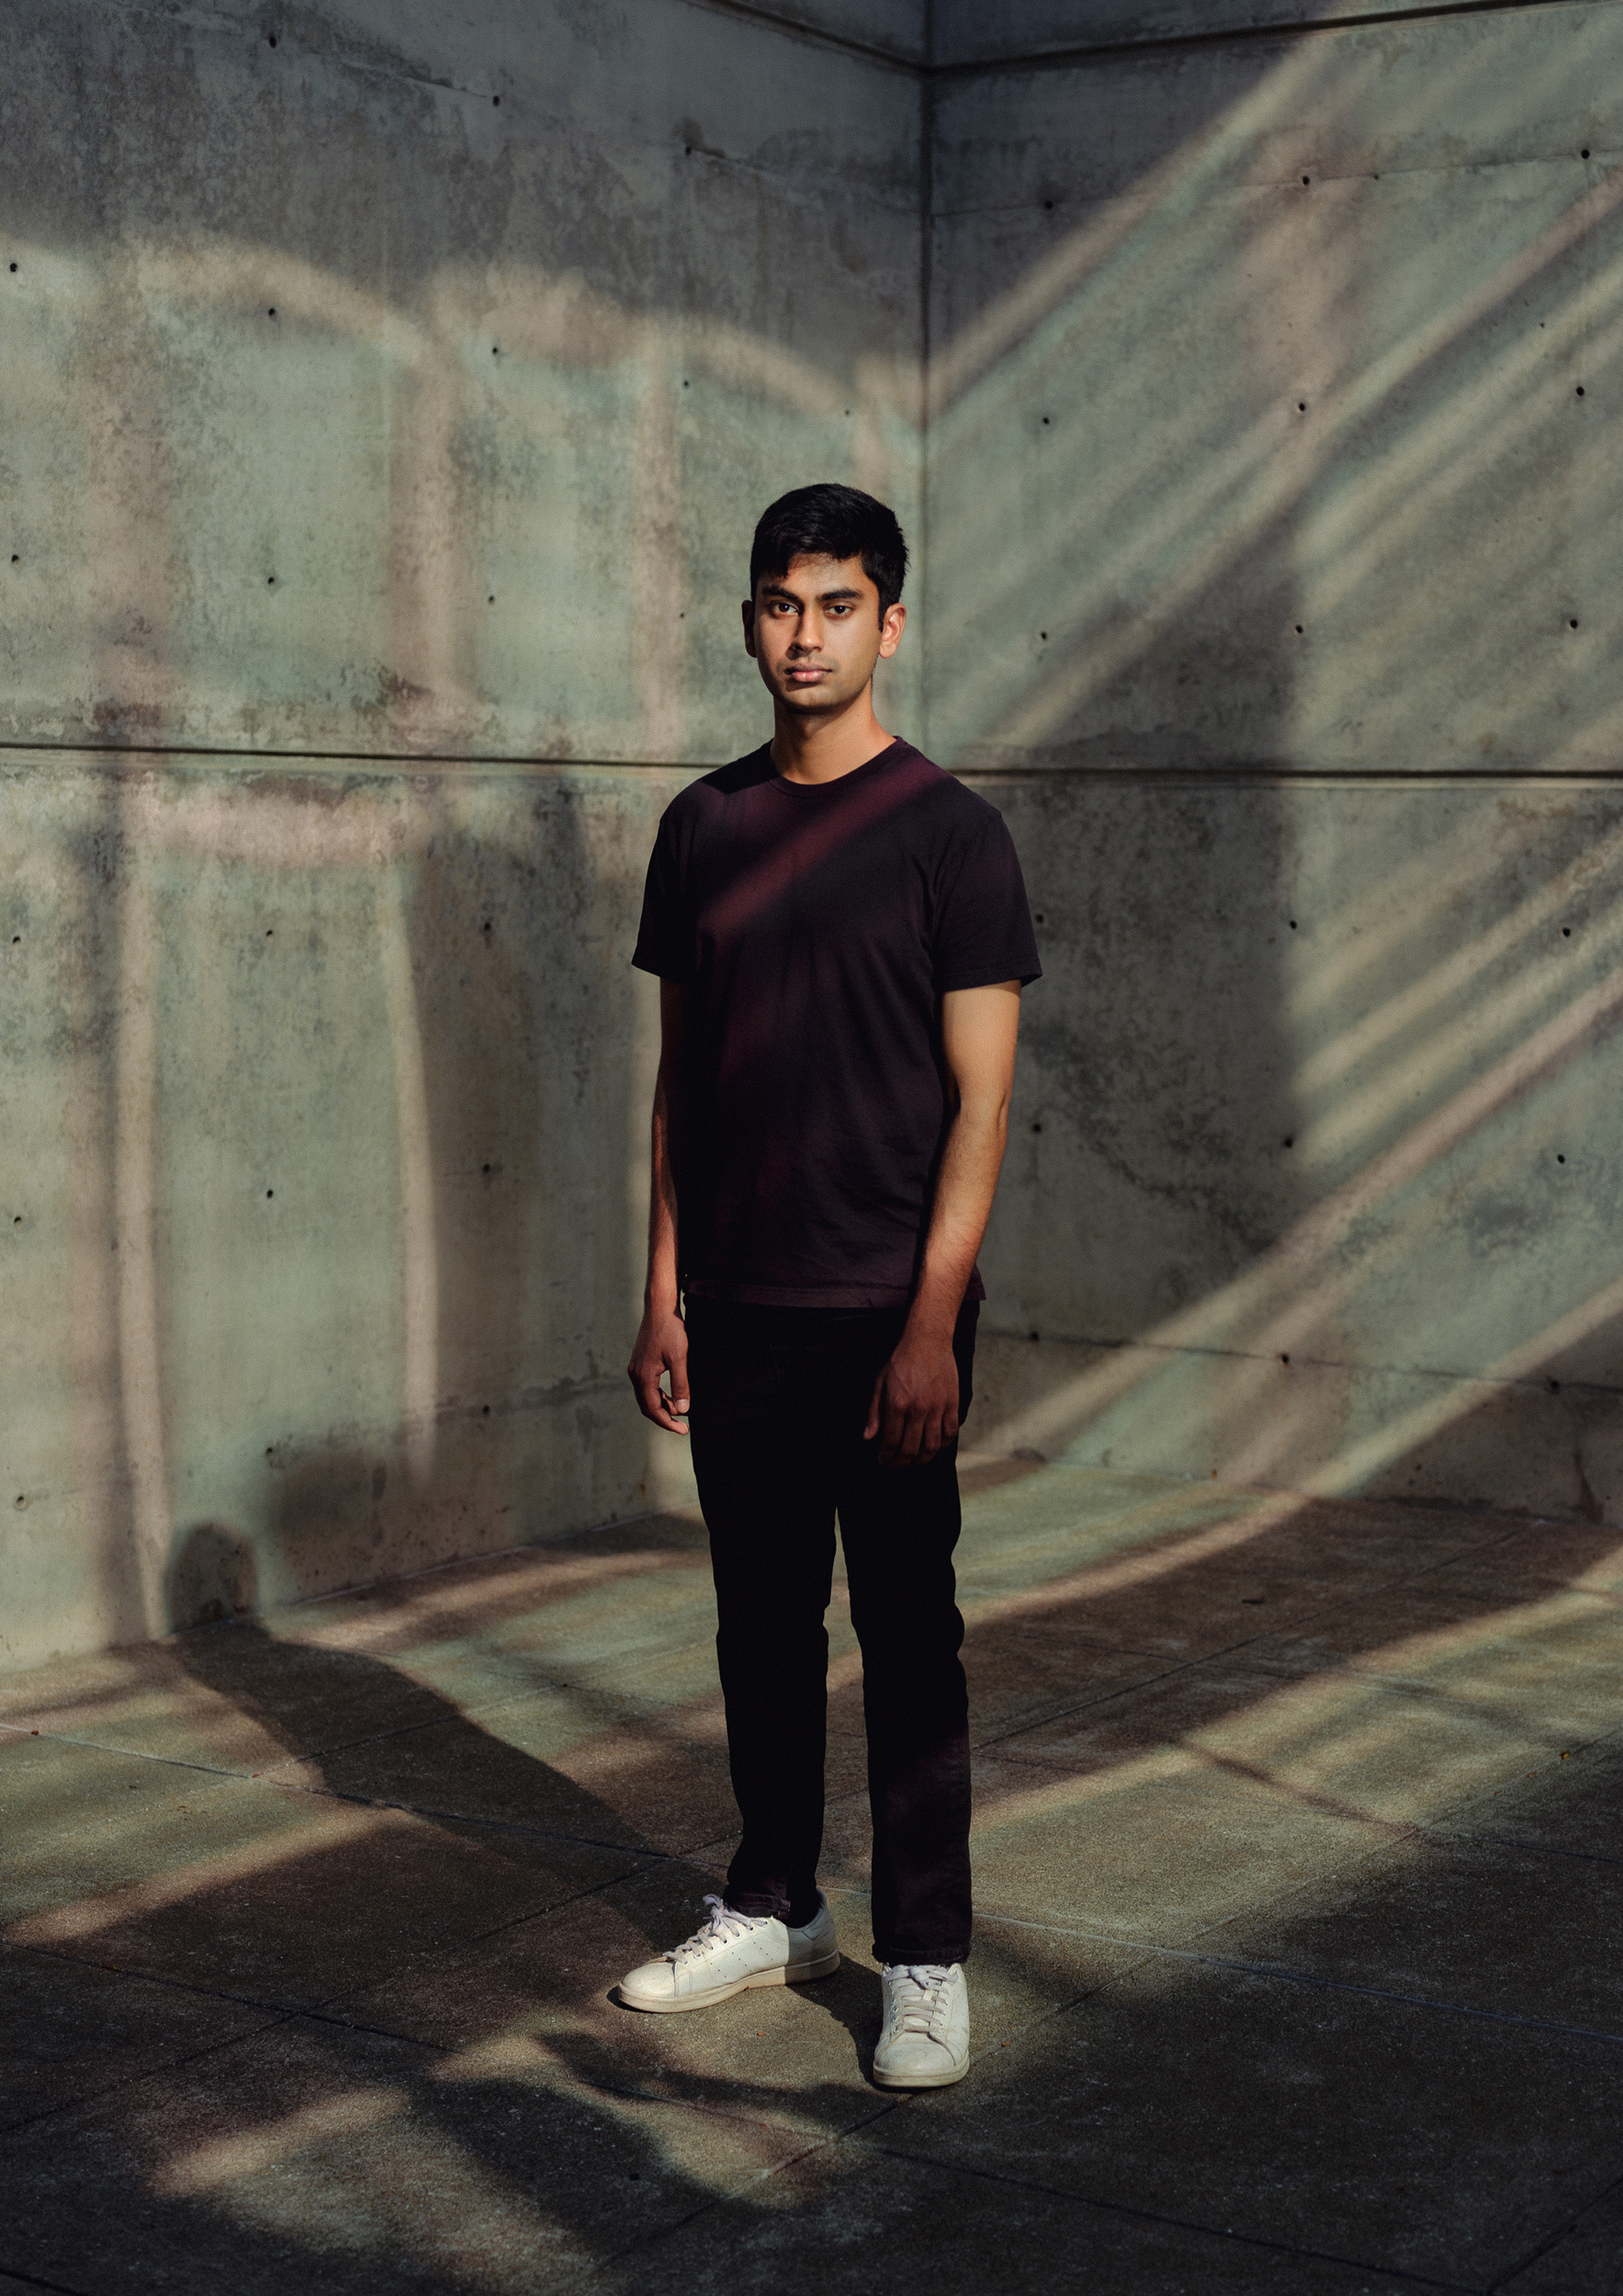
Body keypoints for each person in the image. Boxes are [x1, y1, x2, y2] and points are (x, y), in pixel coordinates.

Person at [617, 483, 1040, 2090]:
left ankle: (925, 1955)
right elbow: (683, 1085)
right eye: (783, 605)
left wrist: (933, 1321)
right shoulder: (702, 827)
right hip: (736, 1300)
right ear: (749, 621)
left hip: (888, 1314)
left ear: (892, 624)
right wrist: (663, 1288)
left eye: (839, 605)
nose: (807, 635)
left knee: (911, 1632)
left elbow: (984, 1102)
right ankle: (774, 1901)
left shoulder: (951, 836)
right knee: (757, 1624)